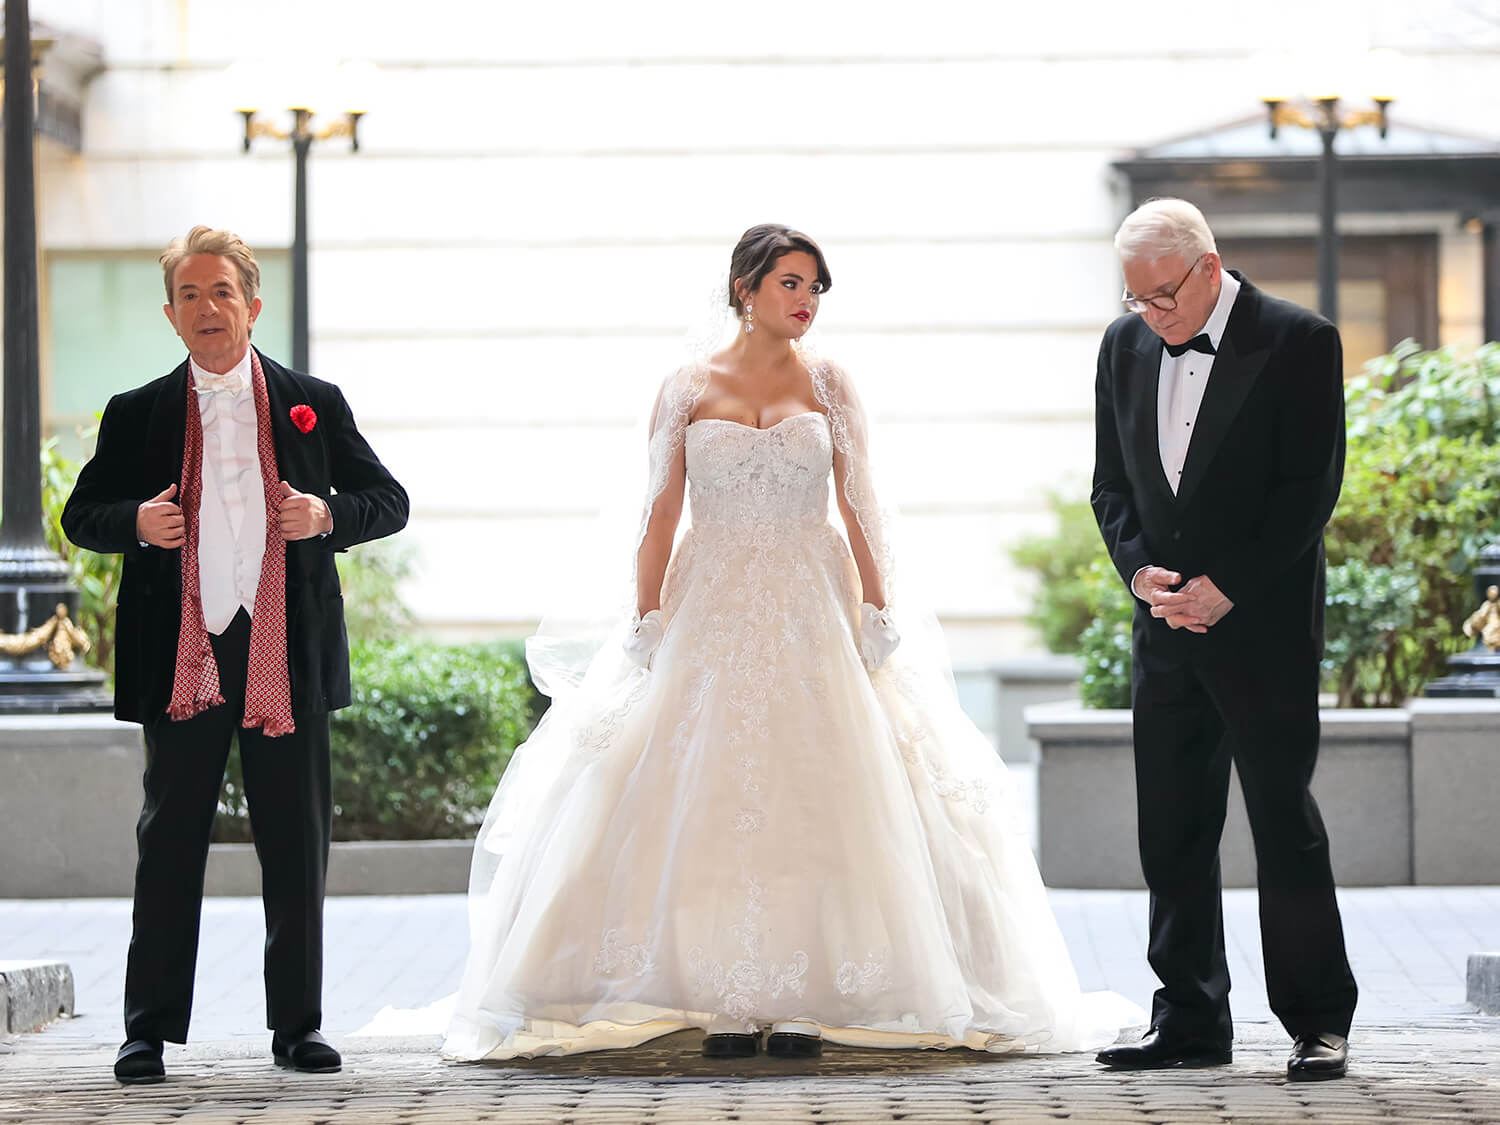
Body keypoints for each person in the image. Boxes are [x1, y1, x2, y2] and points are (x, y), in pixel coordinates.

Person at [443, 223, 1140, 1062]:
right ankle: (724, 998)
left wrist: (880, 613)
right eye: (790, 283)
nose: (805, 301)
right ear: (746, 287)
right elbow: (659, 511)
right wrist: (645, 617)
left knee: (817, 785)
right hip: (712, 601)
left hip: (813, 600)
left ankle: (804, 995)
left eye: (815, 287)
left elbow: (860, 503)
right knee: (700, 783)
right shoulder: (684, 386)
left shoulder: (833, 384)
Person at [62, 226, 410, 1084]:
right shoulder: (136, 411)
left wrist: (325, 514)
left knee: (295, 842)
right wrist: (136, 522)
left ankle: (297, 1028)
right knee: (168, 839)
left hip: (282, 647)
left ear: (253, 305)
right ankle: (145, 1030)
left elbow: (388, 500)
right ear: (172, 316)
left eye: (223, 292)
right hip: (183, 654)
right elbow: (82, 516)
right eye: (190, 295)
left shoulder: (312, 402)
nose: (208, 308)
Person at [1090, 198, 1358, 1081]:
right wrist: (1141, 574)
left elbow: (1307, 490)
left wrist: (1225, 587)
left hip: (1264, 628)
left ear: (1209, 268)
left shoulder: (1300, 339)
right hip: (1164, 630)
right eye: (1136, 300)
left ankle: (1318, 1020)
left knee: (1284, 824)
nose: (1150, 316)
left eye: (1163, 297)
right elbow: (1111, 488)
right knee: (1171, 829)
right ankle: (1192, 1018)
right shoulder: (1123, 344)